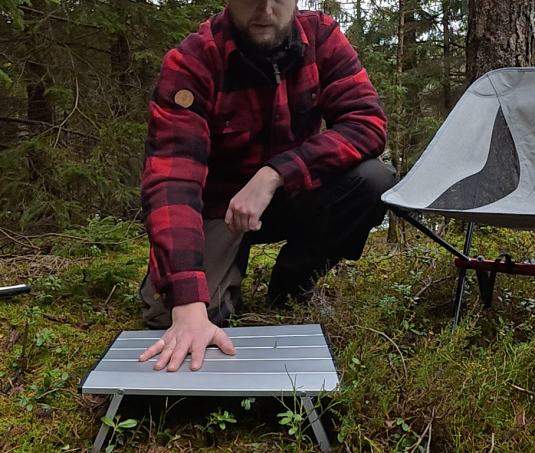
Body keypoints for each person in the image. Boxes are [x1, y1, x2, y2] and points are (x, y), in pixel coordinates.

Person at [137, 0, 394, 372]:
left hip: (289, 195)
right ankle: (221, 279)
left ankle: (292, 282)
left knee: (373, 180)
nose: (266, 10)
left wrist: (275, 174)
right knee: (172, 317)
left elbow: (366, 123)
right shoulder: (192, 61)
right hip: (218, 213)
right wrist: (188, 302)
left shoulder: (321, 37)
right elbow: (171, 181)